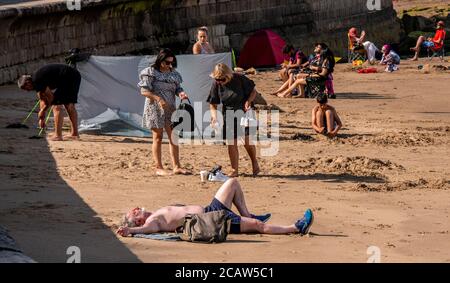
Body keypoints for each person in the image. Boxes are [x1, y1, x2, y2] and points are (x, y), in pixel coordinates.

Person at [116, 178, 314, 237]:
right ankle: (296, 227)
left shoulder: (155, 213)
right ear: (137, 219)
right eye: (135, 214)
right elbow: (149, 230)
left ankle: (248, 214)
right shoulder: (152, 222)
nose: (137, 210)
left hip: (211, 209)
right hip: (211, 221)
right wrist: (131, 230)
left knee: (232, 183)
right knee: (256, 225)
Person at [138, 48, 191, 176]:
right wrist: (158, 98)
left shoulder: (174, 73)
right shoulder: (150, 72)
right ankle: (158, 167)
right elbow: (144, 91)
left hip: (171, 107)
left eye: (172, 63)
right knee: (158, 137)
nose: (170, 65)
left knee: (174, 137)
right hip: (154, 108)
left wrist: (181, 93)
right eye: (167, 63)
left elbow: (178, 88)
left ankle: (177, 167)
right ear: (160, 60)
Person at [207, 63, 260, 177]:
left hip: (244, 112)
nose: (220, 81)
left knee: (247, 141)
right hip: (229, 113)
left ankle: (254, 162)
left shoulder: (240, 78)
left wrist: (248, 101)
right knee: (231, 142)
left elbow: (253, 91)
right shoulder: (216, 84)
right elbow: (212, 104)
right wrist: (214, 117)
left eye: (222, 79)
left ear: (228, 75)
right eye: (217, 79)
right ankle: (234, 169)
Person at [17, 64, 81, 141]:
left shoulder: (37, 80)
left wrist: (43, 110)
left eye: (26, 88)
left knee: (57, 106)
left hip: (69, 76)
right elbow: (42, 99)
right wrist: (41, 119)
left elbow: (51, 98)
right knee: (69, 105)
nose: (27, 91)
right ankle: (74, 134)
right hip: (72, 76)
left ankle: (58, 135)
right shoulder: (35, 80)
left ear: (28, 82)